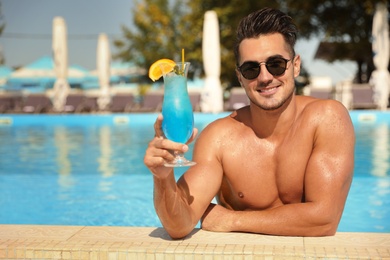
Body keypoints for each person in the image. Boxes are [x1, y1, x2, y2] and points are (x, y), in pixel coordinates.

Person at [144, 7, 355, 239]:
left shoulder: (327, 119)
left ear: (295, 65)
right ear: (240, 77)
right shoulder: (219, 138)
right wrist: (163, 178)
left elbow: (323, 220)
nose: (265, 77)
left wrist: (231, 219)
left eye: (276, 64)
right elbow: (178, 225)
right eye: (251, 68)